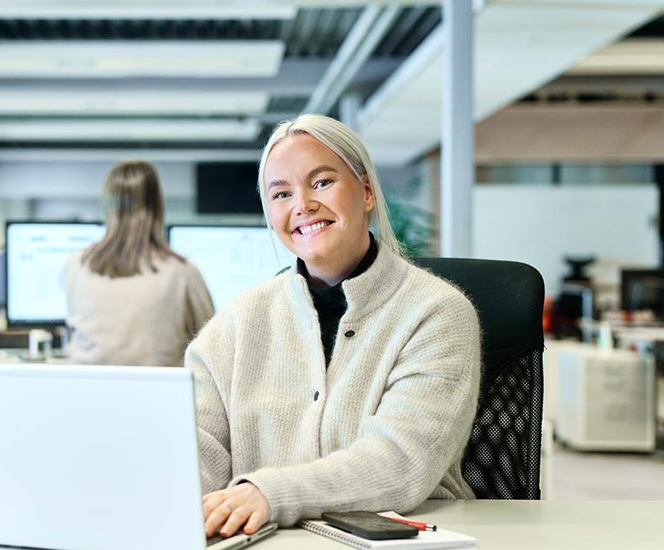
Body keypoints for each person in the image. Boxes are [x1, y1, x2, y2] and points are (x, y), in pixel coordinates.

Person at [186, 114, 481, 539]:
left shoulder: (436, 313)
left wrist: (269, 492)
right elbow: (197, 452)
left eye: (321, 182)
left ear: (365, 192)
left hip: (402, 543)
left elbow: (400, 461)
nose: (302, 205)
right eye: (282, 193)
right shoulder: (235, 324)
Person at [63, 160, 214, 366]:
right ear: (157, 206)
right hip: (159, 395)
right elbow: (213, 345)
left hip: (87, 394)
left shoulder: (76, 266)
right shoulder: (183, 274)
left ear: (109, 205)